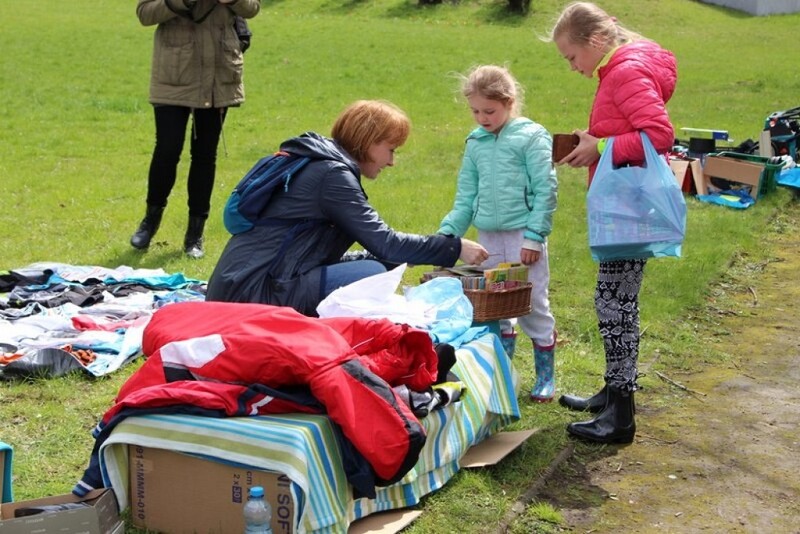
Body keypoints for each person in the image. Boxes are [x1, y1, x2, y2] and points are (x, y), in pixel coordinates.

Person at [206, 99, 489, 316]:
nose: (392, 162)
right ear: (368, 142)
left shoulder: (321, 163)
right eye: (391, 149)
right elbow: (386, 242)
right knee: (371, 275)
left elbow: (380, 249)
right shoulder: (332, 176)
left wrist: (406, 257)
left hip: (240, 285)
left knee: (378, 265)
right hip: (253, 295)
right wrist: (455, 248)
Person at [548, 2, 678, 443]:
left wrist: (600, 149)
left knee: (614, 304)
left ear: (597, 42)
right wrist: (593, 144)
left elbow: (659, 135)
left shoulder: (624, 71)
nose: (571, 67)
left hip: (629, 207)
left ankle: (621, 414)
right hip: (626, 201)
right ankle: (612, 391)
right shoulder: (623, 67)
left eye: (571, 57)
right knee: (614, 300)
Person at [437, 65, 558, 402]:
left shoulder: (532, 137)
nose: (481, 118)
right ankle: (501, 374)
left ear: (509, 102)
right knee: (493, 306)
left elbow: (545, 190)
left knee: (531, 302)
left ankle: (545, 377)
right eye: (475, 111)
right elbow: (465, 197)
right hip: (487, 238)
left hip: (523, 237)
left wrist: (534, 237)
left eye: (489, 111)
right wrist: (446, 236)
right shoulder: (475, 143)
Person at [130, 0, 261, 259]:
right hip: (173, 74)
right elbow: (145, 13)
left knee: (204, 155)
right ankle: (149, 222)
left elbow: (252, 8)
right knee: (167, 149)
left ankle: (195, 234)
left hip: (218, 74)